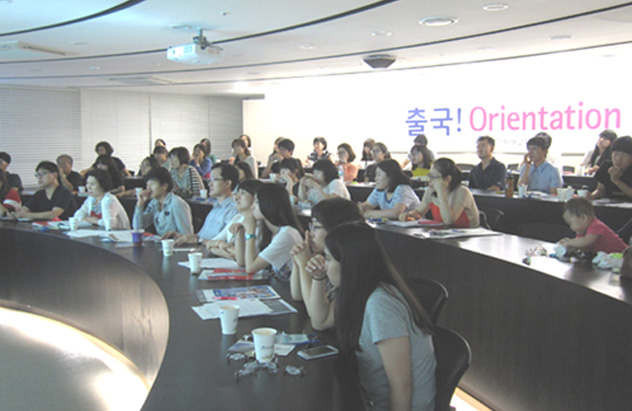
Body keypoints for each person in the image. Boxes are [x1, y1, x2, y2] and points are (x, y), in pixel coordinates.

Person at [305, 222, 436, 411]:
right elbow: (320, 321)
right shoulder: (357, 291)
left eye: (328, 258)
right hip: (367, 398)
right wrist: (319, 277)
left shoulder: (381, 304)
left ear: (349, 264)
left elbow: (402, 388)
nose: (324, 265)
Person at [290, 198, 363, 314]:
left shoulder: (342, 266)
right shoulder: (322, 257)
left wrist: (304, 264)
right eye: (311, 226)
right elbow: (297, 295)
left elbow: (315, 315)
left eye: (316, 227)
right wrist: (297, 261)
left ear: (335, 230)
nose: (310, 234)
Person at [233, 183, 303, 280]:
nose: (252, 207)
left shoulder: (286, 234)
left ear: (269, 204)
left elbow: (251, 268)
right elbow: (242, 262)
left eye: (256, 202)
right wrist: (240, 234)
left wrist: (250, 233)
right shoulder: (269, 230)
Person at [166, 163, 239, 245]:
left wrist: (198, 240)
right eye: (209, 180)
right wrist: (182, 236)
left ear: (228, 183)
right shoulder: (216, 207)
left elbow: (226, 243)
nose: (209, 184)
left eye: (214, 180)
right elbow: (201, 236)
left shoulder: (233, 210)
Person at [401, 158, 480, 228]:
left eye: (433, 177)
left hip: (468, 236)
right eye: (429, 176)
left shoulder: (462, 192)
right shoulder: (431, 191)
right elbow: (419, 212)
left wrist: (441, 192)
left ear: (447, 179)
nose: (430, 180)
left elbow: (449, 221)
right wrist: (409, 215)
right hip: (444, 234)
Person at [205, 179, 263, 259]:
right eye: (237, 193)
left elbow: (246, 257)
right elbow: (210, 244)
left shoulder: (259, 223)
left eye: (242, 193)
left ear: (255, 197)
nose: (236, 198)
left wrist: (224, 247)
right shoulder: (238, 218)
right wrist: (220, 244)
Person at [133, 167, 193, 236]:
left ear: (164, 186)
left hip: (175, 242)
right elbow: (138, 228)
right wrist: (140, 204)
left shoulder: (177, 204)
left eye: (152, 184)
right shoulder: (154, 203)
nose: (148, 189)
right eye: (147, 185)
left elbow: (187, 235)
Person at [11, 161, 76, 221]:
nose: (39, 178)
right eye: (37, 175)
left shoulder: (64, 192)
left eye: (43, 174)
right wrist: (16, 214)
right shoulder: (39, 194)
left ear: (54, 175)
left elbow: (53, 214)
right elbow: (24, 210)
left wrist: (28, 215)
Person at [558, 198, 626, 254]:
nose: (570, 228)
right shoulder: (582, 230)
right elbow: (580, 246)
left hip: (623, 256)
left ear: (584, 218)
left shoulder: (596, 226)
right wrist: (569, 246)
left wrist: (569, 242)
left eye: (570, 223)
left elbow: (586, 242)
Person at [591, 136, 632, 200]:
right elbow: (600, 190)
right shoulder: (606, 166)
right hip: (608, 205)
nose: (618, 159)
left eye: (624, 155)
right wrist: (592, 196)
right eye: (616, 154)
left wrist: (616, 180)